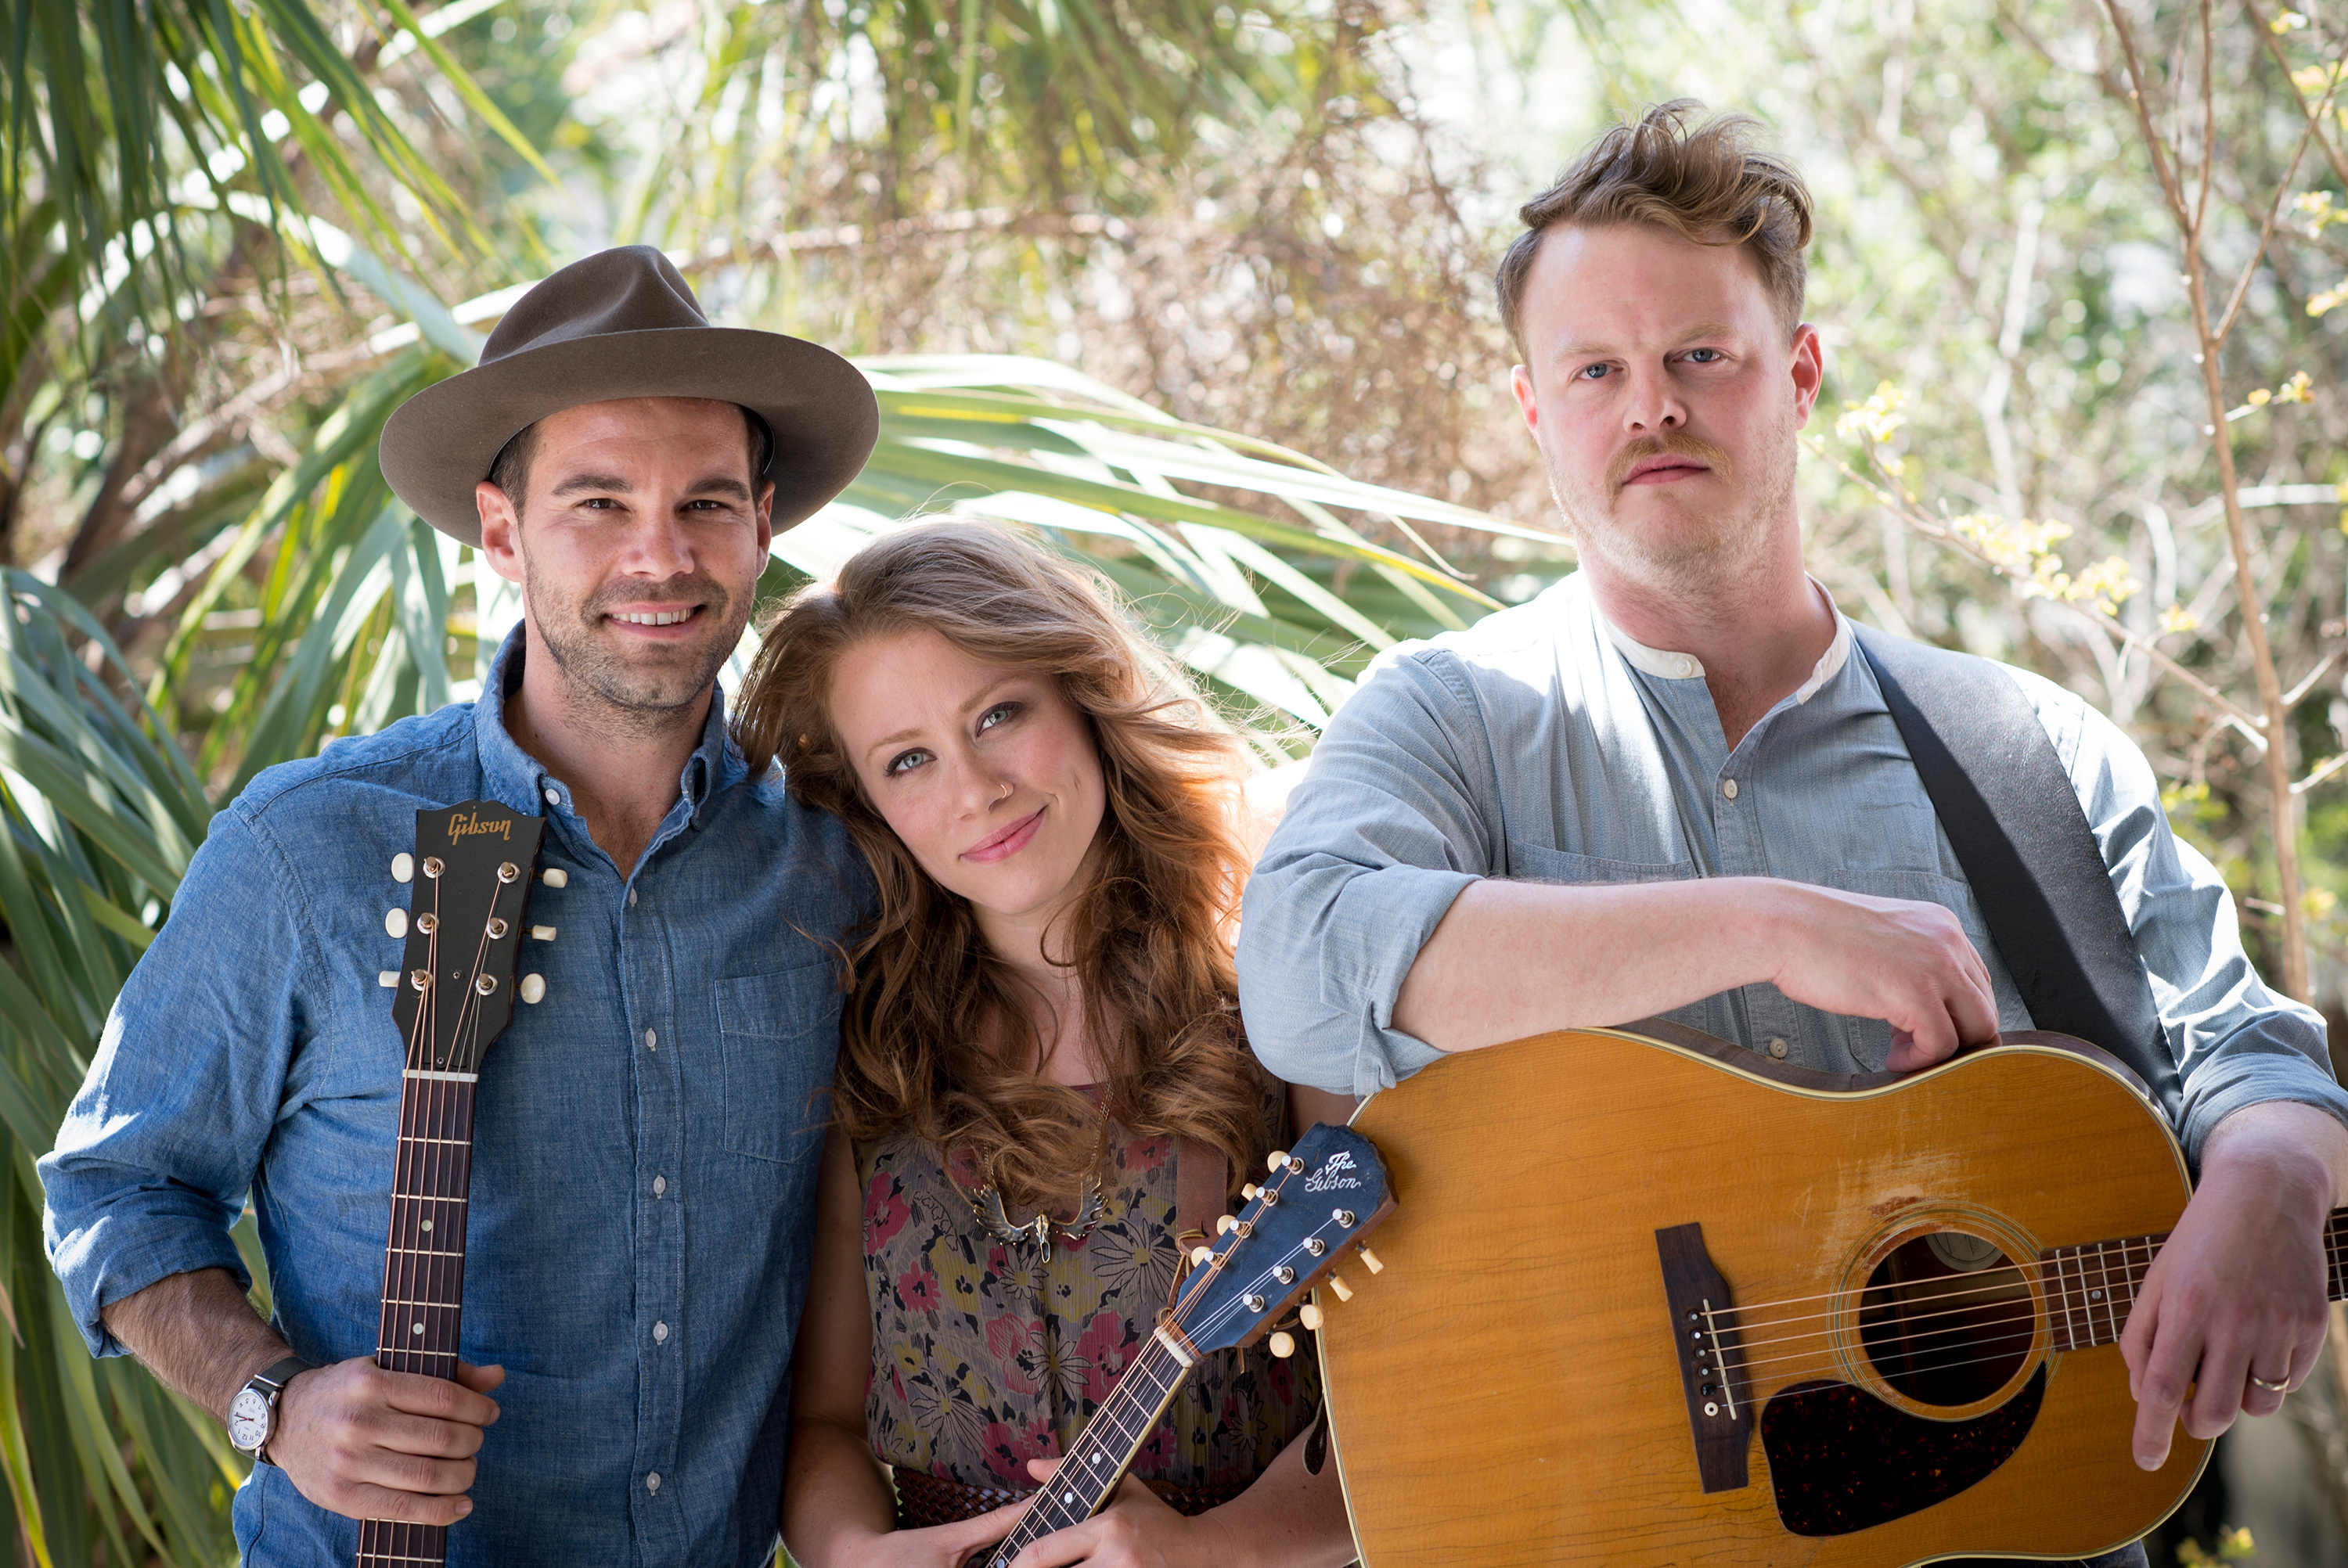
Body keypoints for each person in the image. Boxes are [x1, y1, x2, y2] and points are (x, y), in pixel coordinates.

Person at [1234, 102, 2348, 1568]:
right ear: (1534, 412)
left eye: (1703, 355)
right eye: (1596, 370)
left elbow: (2243, 1045)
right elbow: (1299, 968)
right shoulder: (1450, 717)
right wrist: (1771, 922)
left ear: (1801, 374)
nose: (1653, 408)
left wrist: (2275, 1169)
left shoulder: (2026, 750)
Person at [39, 246, 880, 1565]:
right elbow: (116, 1183)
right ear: (501, 532)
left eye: (705, 504)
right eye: (598, 502)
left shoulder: (841, 866)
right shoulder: (309, 847)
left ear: (765, 526)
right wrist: (276, 1403)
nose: (661, 557)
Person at [732, 520, 1358, 1568]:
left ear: (1084, 696)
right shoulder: (869, 1054)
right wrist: (852, 1553)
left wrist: (1225, 1549)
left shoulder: (1283, 995)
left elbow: (1422, 1387)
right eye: (909, 761)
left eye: (1000, 714)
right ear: (870, 805)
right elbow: (825, 1425)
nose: (974, 790)